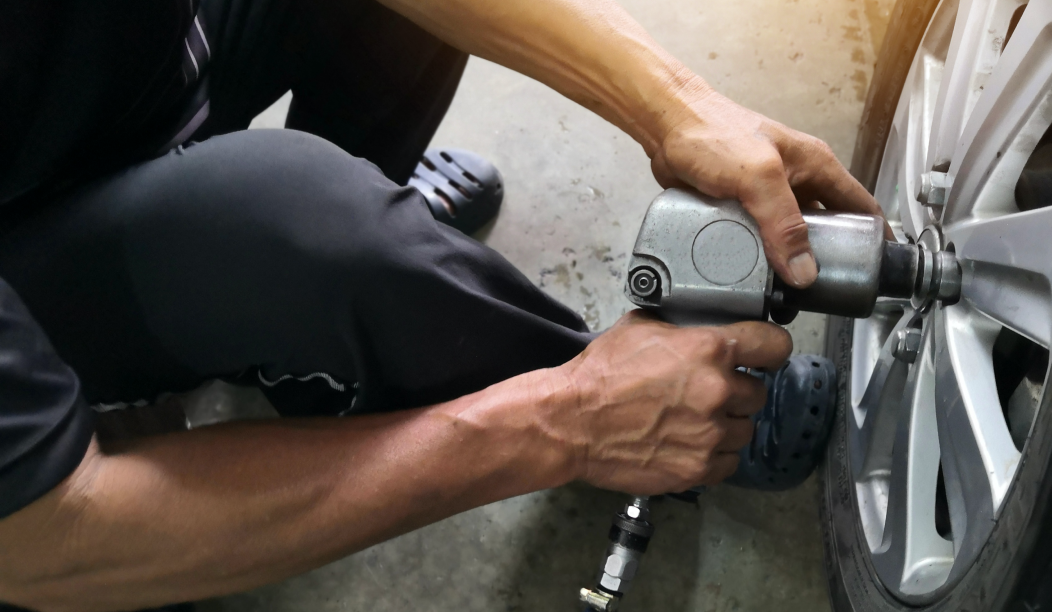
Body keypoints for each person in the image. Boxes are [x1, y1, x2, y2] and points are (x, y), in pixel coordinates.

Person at [0, 0, 881, 609]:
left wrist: (674, 108)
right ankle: (606, 399)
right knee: (292, 216)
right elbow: (52, 540)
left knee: (365, 91)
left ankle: (329, 327)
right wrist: (568, 421)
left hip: (110, 81)